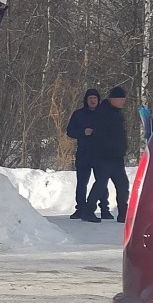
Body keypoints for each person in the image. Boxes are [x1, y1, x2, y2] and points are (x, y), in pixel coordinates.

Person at [82, 86, 130, 223]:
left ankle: (123, 213)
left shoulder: (117, 113)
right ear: (113, 99)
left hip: (117, 157)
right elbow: (100, 135)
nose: (123, 102)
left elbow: (120, 134)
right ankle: (88, 211)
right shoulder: (103, 112)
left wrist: (122, 148)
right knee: (101, 184)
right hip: (103, 156)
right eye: (121, 99)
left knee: (122, 185)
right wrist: (110, 148)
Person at [66, 88, 111, 219]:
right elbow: (69, 131)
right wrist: (82, 132)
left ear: (98, 100)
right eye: (90, 98)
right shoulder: (78, 114)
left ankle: (105, 209)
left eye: (95, 98)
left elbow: (111, 132)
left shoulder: (104, 114)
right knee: (82, 183)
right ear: (86, 100)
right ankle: (80, 209)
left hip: (100, 154)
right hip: (84, 153)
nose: (92, 101)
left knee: (101, 182)